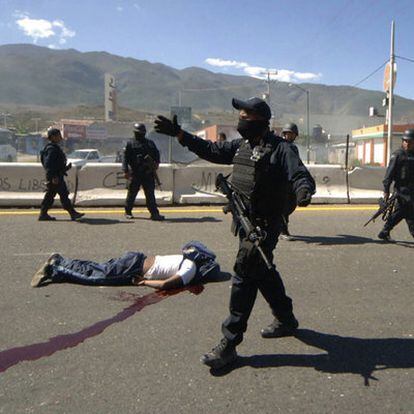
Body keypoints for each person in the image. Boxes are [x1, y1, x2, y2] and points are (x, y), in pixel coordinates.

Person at [154, 97, 315, 369]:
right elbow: (211, 149)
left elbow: (300, 174)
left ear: (261, 121)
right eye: (240, 115)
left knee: (244, 274)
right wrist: (181, 135)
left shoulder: (281, 148)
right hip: (244, 221)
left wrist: (304, 191)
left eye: (246, 116)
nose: (241, 120)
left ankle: (230, 343)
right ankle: (286, 319)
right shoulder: (242, 146)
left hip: (264, 226)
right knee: (262, 271)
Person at [31, 241, 219, 290]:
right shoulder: (190, 269)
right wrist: (144, 283)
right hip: (134, 269)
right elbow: (165, 284)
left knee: (97, 269)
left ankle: (59, 273)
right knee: (96, 277)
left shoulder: (185, 260)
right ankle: (57, 264)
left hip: (135, 260)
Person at [38, 128, 84, 221]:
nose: (61, 137)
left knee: (51, 195)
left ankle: (43, 214)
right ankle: (72, 213)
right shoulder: (51, 149)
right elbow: (49, 164)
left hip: (56, 175)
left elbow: (56, 164)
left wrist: (65, 168)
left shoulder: (53, 147)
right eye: (58, 135)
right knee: (62, 194)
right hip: (55, 177)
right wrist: (54, 176)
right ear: (53, 137)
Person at [122, 123, 164, 221]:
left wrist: (156, 163)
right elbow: (125, 158)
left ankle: (154, 213)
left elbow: (156, 154)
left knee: (150, 194)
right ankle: (128, 211)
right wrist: (125, 170)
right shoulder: (130, 144)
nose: (139, 134)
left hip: (148, 172)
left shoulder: (150, 143)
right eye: (138, 133)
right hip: (135, 172)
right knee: (132, 193)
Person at [378, 129, 414, 241]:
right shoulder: (397, 155)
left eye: (410, 141)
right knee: (410, 214)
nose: (407, 144)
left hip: (412, 191)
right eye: (405, 141)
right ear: (402, 141)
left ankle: (385, 231)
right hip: (401, 191)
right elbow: (388, 175)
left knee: (401, 212)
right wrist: (386, 190)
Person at [280, 123, 314, 240]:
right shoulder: (281, 146)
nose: (289, 136)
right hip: (282, 181)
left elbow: (297, 165)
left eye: (291, 134)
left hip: (291, 181)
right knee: (284, 206)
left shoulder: (293, 147)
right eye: (287, 133)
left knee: (290, 205)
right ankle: (283, 231)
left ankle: (281, 229)